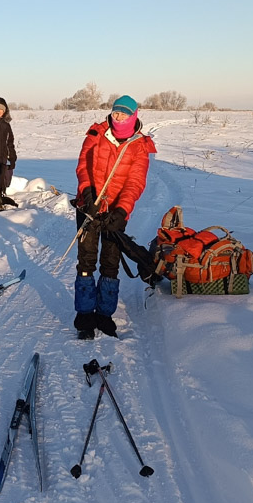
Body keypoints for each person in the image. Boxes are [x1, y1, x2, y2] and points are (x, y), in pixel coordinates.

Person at [73, 95, 157, 338]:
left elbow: (135, 182)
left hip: (115, 212)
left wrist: (121, 211)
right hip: (89, 206)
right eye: (115, 112)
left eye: (124, 114)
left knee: (110, 262)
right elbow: (83, 167)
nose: (118, 117)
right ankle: (85, 315)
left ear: (134, 116)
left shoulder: (139, 145)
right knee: (86, 260)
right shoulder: (96, 133)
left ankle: (105, 313)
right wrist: (88, 196)